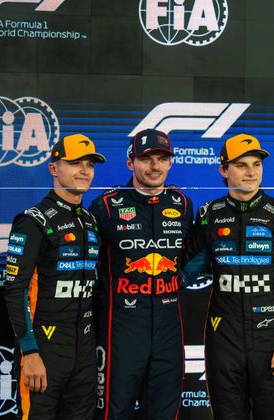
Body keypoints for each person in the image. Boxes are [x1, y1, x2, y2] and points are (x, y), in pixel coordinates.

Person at [181, 134, 274, 419]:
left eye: (256, 164)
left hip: (271, 340)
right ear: (223, 170)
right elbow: (186, 272)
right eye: (241, 165)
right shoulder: (209, 215)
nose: (251, 172)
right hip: (223, 339)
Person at [90, 129, 193, 419]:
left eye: (162, 159)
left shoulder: (183, 205)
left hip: (168, 330)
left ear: (170, 163)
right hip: (121, 331)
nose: (155, 166)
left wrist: (184, 277)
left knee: (165, 414)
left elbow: (197, 254)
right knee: (113, 413)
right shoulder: (106, 206)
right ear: (130, 162)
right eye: (146, 159)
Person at [4, 134, 106, 420]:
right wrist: (29, 352)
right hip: (44, 349)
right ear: (53, 168)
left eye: (89, 164)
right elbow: (15, 291)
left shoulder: (90, 221)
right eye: (74, 163)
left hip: (85, 351)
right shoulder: (33, 221)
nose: (84, 171)